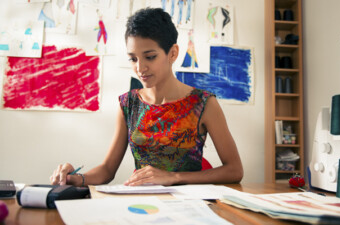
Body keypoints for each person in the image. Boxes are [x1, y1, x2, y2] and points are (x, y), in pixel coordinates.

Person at [50, 8, 243, 187]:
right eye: (133, 59)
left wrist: (173, 177)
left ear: (173, 53)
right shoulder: (128, 104)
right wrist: (75, 178)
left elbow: (235, 170)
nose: (140, 68)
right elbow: (107, 170)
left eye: (150, 57)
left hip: (190, 204)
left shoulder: (204, 104)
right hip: (143, 201)